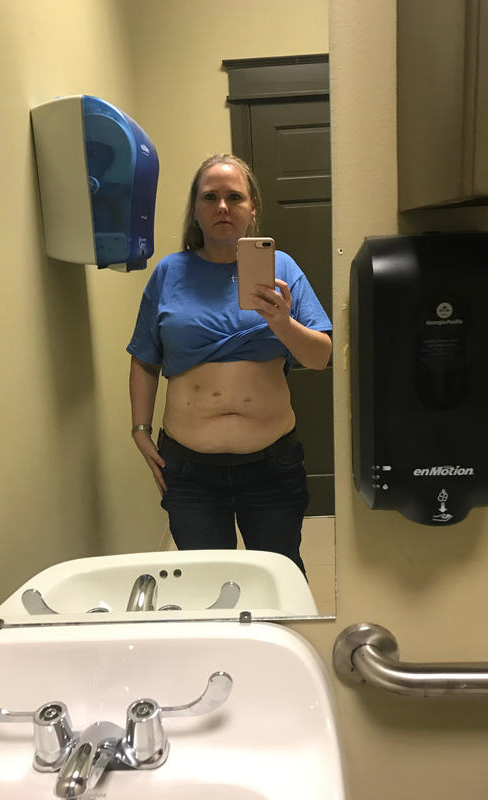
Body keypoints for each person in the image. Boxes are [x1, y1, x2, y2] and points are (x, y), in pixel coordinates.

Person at [127, 153, 332, 575]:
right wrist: (140, 430)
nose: (223, 207)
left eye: (235, 197)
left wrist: (282, 322)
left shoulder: (282, 268)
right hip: (190, 471)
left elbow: (320, 356)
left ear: (252, 208)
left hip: (271, 466)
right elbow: (144, 359)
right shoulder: (168, 273)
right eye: (210, 197)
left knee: (277, 578)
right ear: (195, 209)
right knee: (207, 584)